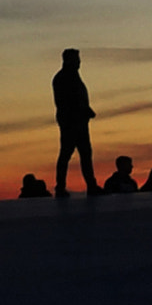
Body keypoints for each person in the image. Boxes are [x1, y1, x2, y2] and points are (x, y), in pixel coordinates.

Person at [52, 49, 101, 198]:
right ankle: (61, 187)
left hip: (78, 122)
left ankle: (91, 185)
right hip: (71, 123)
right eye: (76, 60)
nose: (79, 63)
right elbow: (69, 102)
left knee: (84, 154)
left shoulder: (72, 77)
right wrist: (84, 111)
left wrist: (86, 110)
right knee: (67, 154)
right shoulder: (64, 78)